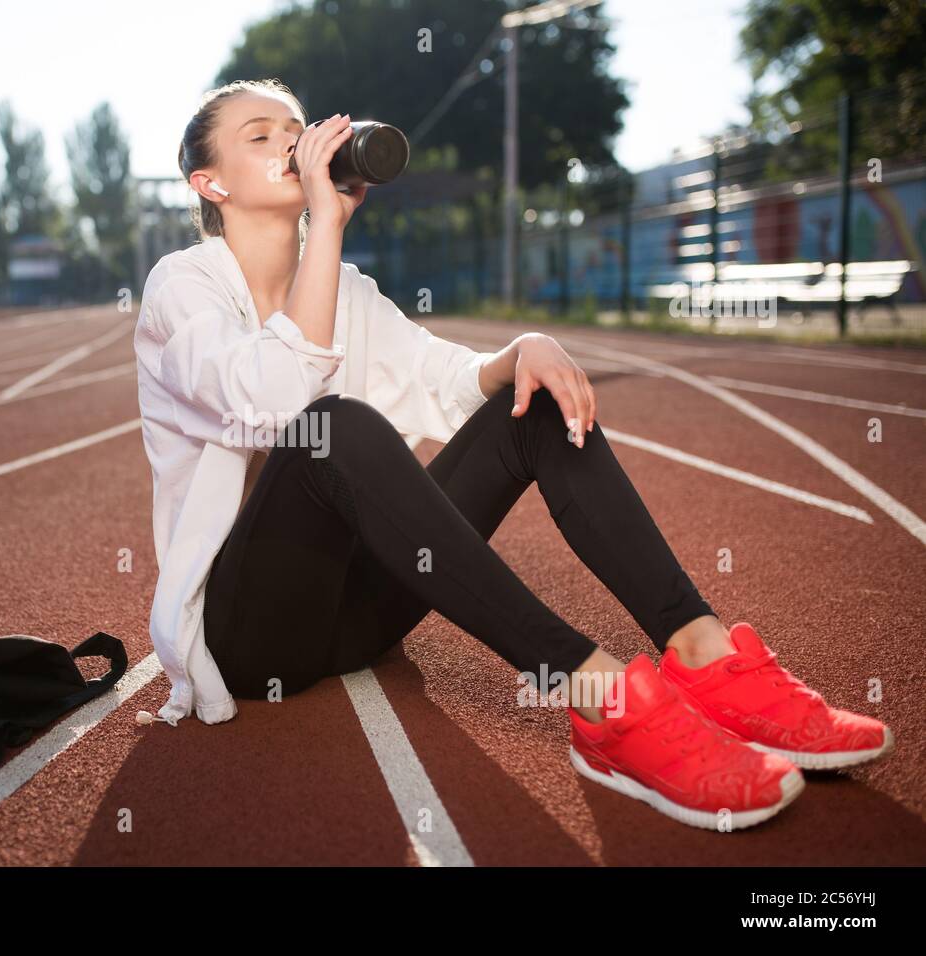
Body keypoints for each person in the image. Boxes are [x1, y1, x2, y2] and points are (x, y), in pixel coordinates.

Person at [133, 78, 893, 831]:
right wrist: (327, 228)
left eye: (294, 128)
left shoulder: (347, 290)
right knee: (334, 427)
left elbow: (446, 382)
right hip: (250, 636)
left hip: (360, 621)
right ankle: (606, 700)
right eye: (259, 137)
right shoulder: (183, 287)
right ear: (209, 183)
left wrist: (520, 351)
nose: (289, 145)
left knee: (534, 405)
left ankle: (704, 654)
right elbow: (272, 408)